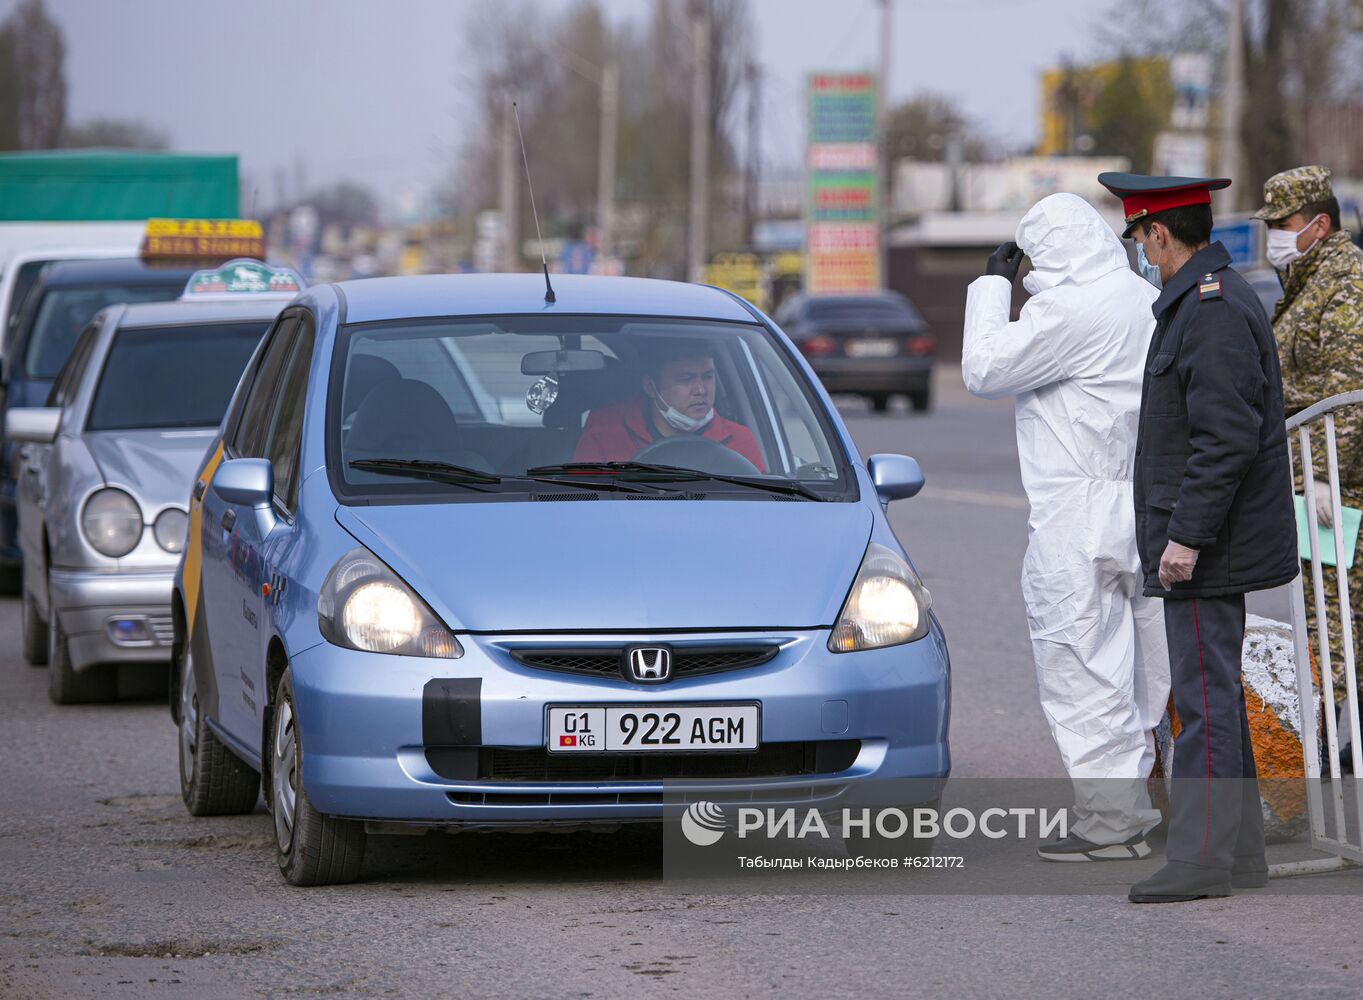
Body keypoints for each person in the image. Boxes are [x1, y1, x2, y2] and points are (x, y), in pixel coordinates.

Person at [1097, 172, 1299, 903]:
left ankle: (1202, 859)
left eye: (1141, 239)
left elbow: (1222, 439)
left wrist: (1183, 538)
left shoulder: (1209, 310)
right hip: (1209, 537)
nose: (1142, 254)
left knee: (1201, 699)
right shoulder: (1202, 300)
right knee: (1209, 692)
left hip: (1206, 544)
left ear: (1157, 232)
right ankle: (1239, 853)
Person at [962, 193, 1171, 862]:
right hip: (1139, 500)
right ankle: (1141, 808)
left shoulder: (1067, 309)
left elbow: (983, 368)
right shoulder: (1142, 298)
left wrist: (992, 286)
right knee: (1145, 671)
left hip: (1075, 514)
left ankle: (1112, 824)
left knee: (1081, 667)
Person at [1253, 165, 1363, 749]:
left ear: (1319, 225)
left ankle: (1338, 752)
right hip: (1316, 482)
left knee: (1338, 621)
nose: (1274, 232)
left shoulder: (1344, 282)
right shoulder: (1309, 279)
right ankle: (1336, 748)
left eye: (1283, 222)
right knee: (1327, 618)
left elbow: (1349, 389)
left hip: (1342, 493)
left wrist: (1325, 477)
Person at [572, 343, 766, 471]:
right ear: (650, 386)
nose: (700, 390)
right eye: (686, 379)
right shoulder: (606, 431)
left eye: (707, 377)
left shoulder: (739, 440)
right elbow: (582, 501)